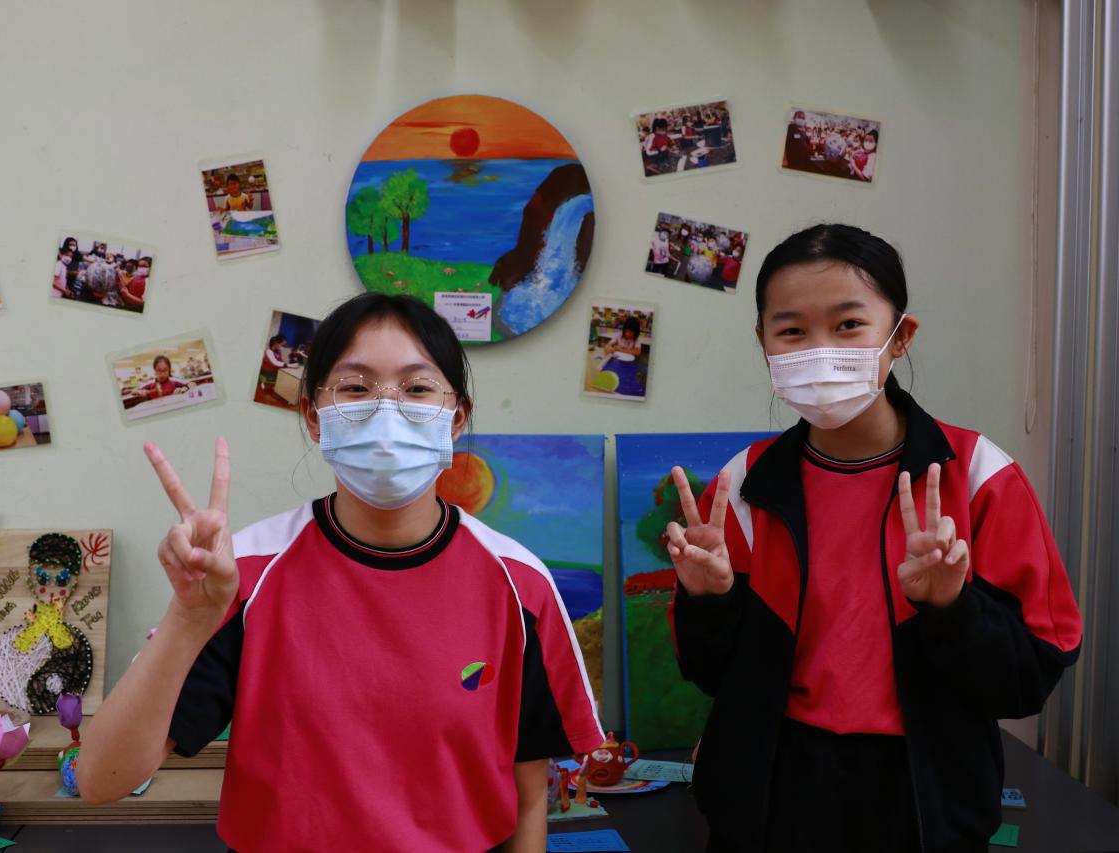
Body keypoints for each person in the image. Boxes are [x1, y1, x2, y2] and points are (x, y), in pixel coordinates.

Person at [78, 293, 604, 851]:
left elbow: (529, 799)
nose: (386, 411)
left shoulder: (520, 585)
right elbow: (102, 781)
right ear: (314, 417)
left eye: (417, 388)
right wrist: (188, 621)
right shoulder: (243, 576)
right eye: (355, 388)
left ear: (456, 419)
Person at [666, 224, 1082, 853]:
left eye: (848, 325)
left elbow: (1028, 679)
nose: (820, 350)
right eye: (791, 331)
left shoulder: (978, 477)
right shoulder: (742, 486)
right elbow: (709, 672)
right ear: (764, 343)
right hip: (771, 796)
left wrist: (952, 609)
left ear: (900, 336)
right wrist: (711, 601)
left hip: (922, 802)